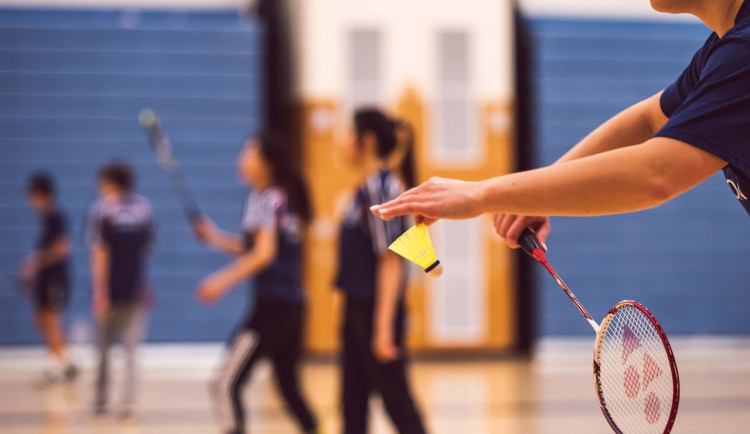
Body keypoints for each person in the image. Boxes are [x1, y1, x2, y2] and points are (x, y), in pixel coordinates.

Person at [373, 0, 750, 247]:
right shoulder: (721, 50)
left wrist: (479, 194)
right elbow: (648, 119)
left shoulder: (744, 51)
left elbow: (656, 173)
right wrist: (532, 195)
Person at [192, 133, 319, 434]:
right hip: (293, 306)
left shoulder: (267, 198)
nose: (242, 159)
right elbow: (255, 247)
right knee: (288, 386)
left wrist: (220, 281)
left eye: (249, 154)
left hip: (273, 309)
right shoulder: (278, 197)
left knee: (224, 383)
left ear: (268, 164)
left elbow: (263, 254)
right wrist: (214, 238)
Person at [334, 108, 427, 434]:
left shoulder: (382, 187)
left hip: (374, 312)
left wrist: (383, 327)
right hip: (357, 310)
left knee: (397, 404)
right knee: (352, 405)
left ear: (367, 140)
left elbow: (391, 260)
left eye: (348, 133)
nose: (342, 141)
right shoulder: (365, 187)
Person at [86, 161, 155, 420]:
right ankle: (127, 405)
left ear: (110, 182)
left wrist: (99, 291)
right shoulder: (144, 209)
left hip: (111, 292)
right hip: (135, 290)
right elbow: (145, 252)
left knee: (102, 350)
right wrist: (145, 285)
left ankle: (101, 402)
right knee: (130, 352)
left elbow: (99, 252)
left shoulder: (102, 210)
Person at [20, 172, 78, 386]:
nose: (29, 201)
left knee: (53, 321)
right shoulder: (44, 219)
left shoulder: (56, 217)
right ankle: (64, 363)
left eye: (31, 196)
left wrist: (35, 262)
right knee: (41, 320)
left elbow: (63, 248)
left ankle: (58, 368)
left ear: (40, 194)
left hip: (56, 279)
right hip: (45, 279)